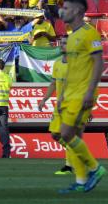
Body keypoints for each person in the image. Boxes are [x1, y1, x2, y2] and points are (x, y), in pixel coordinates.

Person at [55, 0, 106, 193]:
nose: (62, 12)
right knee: (75, 137)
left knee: (65, 134)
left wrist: (90, 92)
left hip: (83, 93)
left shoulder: (88, 33)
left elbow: (99, 62)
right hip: (70, 93)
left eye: (66, 8)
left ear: (77, 11)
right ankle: (81, 181)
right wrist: (61, 96)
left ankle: (96, 168)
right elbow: (70, 69)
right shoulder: (73, 35)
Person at [38, 37, 72, 175]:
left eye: (66, 43)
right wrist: (44, 99)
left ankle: (69, 166)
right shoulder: (57, 63)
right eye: (62, 43)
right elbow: (53, 83)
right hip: (58, 106)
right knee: (55, 135)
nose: (63, 45)